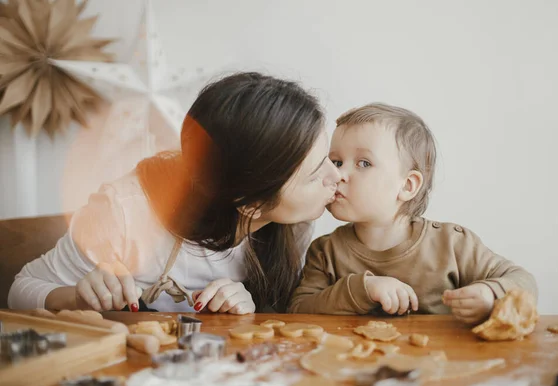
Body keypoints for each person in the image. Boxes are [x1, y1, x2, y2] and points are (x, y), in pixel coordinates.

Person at [8, 72, 341, 314]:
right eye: (315, 175)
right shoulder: (124, 212)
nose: (336, 176)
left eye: (328, 158)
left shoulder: (291, 222)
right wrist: (76, 298)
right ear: (251, 205)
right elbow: (20, 291)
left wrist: (247, 308)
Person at [288, 103, 537, 324]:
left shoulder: (453, 244)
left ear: (407, 186)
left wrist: (489, 294)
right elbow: (298, 310)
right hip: (354, 369)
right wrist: (361, 289)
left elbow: (523, 282)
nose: (338, 174)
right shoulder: (325, 252)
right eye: (336, 161)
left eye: (363, 163)